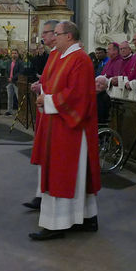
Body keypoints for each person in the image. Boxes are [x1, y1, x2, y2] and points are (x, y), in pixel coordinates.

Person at [30, 21, 101, 240]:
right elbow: (54, 85)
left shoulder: (79, 59)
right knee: (73, 176)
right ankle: (84, 217)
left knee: (65, 175)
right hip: (58, 124)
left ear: (69, 36)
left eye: (57, 34)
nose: (54, 38)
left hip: (71, 127)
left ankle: (58, 223)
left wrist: (48, 99)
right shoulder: (62, 56)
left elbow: (77, 95)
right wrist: (44, 93)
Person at [24, 20, 59, 210]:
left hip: (53, 111)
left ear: (56, 34)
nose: (42, 37)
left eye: (45, 33)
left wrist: (43, 88)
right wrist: (40, 87)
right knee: (43, 155)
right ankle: (40, 193)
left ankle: (43, 194)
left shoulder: (61, 55)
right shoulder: (53, 55)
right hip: (46, 109)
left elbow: (59, 86)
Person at [4, 48, 25, 115]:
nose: (14, 54)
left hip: (16, 82)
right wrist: (8, 77)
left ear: (18, 54)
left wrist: (12, 78)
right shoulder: (8, 62)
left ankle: (21, 111)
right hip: (9, 82)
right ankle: (9, 111)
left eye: (15, 53)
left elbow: (20, 72)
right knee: (9, 97)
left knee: (19, 97)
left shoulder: (20, 62)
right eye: (12, 53)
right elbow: (6, 71)